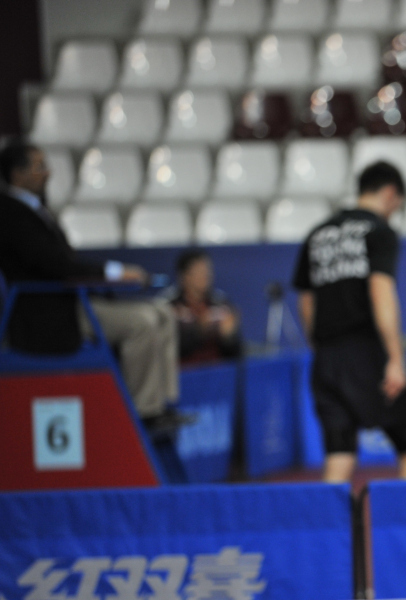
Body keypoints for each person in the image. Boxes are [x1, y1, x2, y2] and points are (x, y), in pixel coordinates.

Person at [0, 141, 182, 429]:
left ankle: (163, 403)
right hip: (48, 314)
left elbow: (64, 261)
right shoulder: (9, 214)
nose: (47, 173)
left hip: (70, 301)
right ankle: (144, 414)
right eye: (39, 166)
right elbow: (55, 266)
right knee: (142, 323)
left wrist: (111, 273)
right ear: (17, 174)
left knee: (164, 313)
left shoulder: (36, 210)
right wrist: (114, 271)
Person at [292, 161, 406, 483]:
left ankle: (328, 531)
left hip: (326, 359)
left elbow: (306, 299)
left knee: (338, 457)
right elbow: (381, 292)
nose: (395, 211)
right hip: (367, 354)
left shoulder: (318, 234)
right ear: (391, 193)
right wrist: (395, 359)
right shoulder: (379, 231)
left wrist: (321, 347)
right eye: (398, 204)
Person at [164, 248, 243, 365]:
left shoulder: (221, 303)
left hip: (217, 374)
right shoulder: (168, 306)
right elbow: (166, 350)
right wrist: (199, 331)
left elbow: (237, 353)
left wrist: (229, 337)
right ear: (184, 276)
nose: (206, 275)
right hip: (182, 376)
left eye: (207, 270)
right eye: (199, 271)